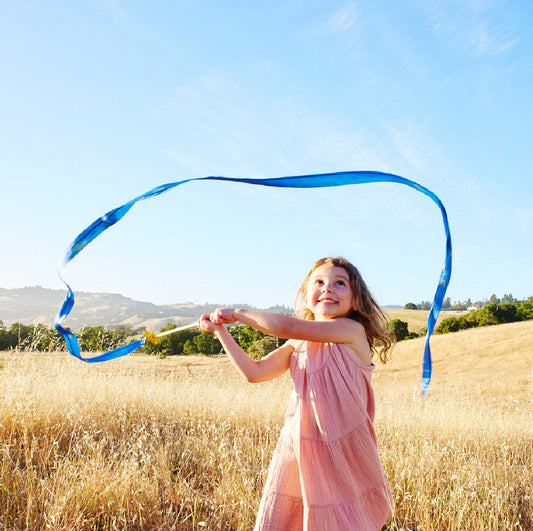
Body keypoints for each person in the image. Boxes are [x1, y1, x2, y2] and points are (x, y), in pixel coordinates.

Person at [198, 257, 395, 530]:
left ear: (357, 302)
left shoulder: (351, 331)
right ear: (306, 296)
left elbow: (286, 326)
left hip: (342, 449)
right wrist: (221, 331)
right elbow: (254, 372)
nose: (328, 288)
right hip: (299, 446)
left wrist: (237, 313)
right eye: (319, 282)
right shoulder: (297, 343)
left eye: (340, 283)